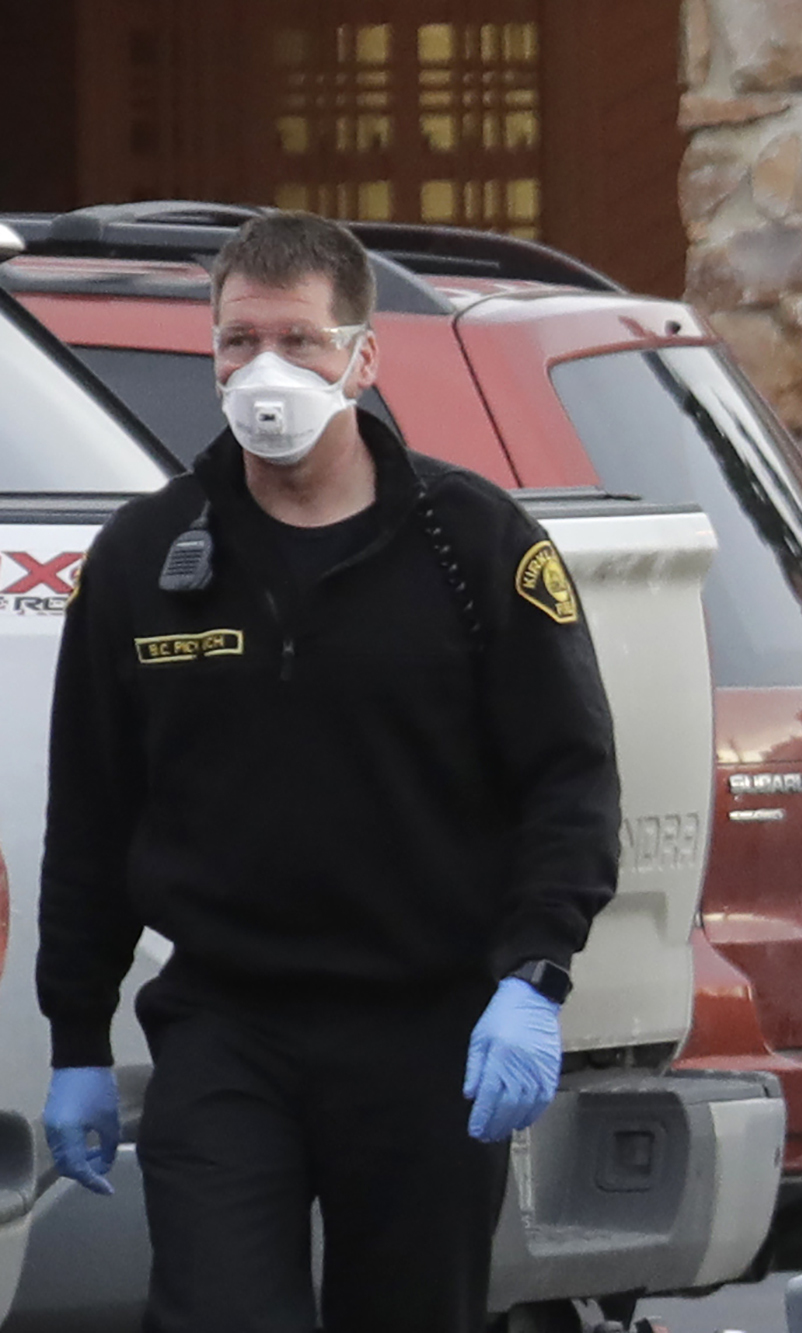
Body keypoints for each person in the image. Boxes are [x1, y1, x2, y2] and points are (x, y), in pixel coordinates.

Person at [36, 211, 621, 1333]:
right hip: (226, 1027)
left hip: (427, 1027)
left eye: (299, 340)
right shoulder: (145, 562)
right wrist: (74, 1036)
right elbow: (96, 812)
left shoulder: (476, 546)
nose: (265, 370)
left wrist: (533, 969)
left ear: (362, 355)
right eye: (237, 340)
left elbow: (569, 776)